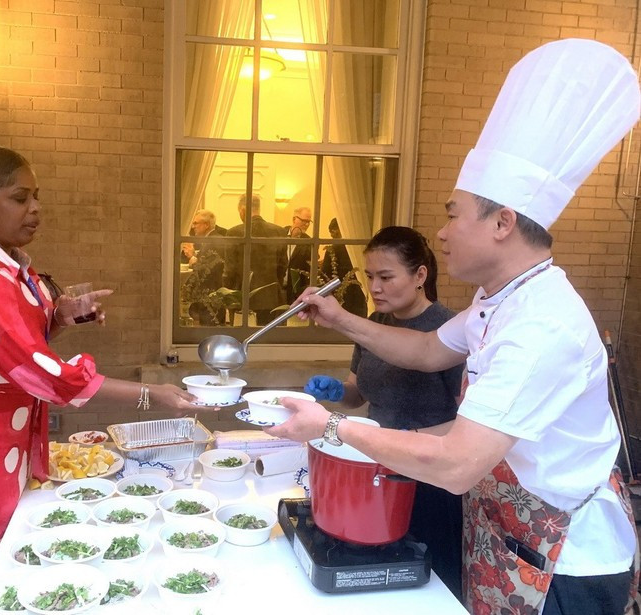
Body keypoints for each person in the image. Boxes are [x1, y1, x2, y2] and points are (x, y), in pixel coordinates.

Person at [268, 39, 639, 615]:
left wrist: (334, 427)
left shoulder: (542, 325)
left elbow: (461, 462)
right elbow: (424, 350)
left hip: (566, 561)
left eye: (451, 213)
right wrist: (340, 317)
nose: (440, 233)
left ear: (502, 222)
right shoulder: (502, 300)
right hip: (511, 538)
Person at [0, 145, 200, 614]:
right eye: (20, 198)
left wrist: (60, 315)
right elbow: (42, 374)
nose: (35, 208)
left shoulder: (6, 260)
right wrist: (151, 394)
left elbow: (17, 341)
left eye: (36, 196)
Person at [305, 225, 464, 598]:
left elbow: (466, 424)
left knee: (428, 585)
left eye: (386, 277)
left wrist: (405, 440)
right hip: (372, 470)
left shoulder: (450, 332)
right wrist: (336, 391)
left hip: (426, 481)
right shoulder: (374, 324)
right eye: (370, 276)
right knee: (374, 581)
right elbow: (358, 394)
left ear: (420, 275)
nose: (375, 287)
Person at [224, 194, 286, 325]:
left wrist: (227, 295)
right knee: (267, 340)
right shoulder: (279, 231)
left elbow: (230, 270)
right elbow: (282, 267)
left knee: (242, 338)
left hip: (241, 297)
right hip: (271, 297)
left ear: (242, 210)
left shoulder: (234, 232)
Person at [181, 209, 226, 325]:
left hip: (210, 295)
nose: (193, 226)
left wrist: (191, 257)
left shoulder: (213, 241)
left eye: (196, 223)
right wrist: (194, 254)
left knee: (209, 328)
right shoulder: (212, 239)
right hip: (211, 294)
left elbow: (207, 270)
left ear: (206, 225)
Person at [319, 218, 367, 317]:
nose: (331, 235)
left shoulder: (332, 249)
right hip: (359, 294)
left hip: (339, 294)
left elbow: (324, 274)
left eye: (332, 231)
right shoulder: (359, 248)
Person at [284, 206, 313, 303]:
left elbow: (309, 270)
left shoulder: (309, 243)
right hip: (276, 290)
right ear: (294, 219)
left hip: (295, 293)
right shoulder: (279, 234)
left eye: (309, 222)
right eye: (304, 220)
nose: (307, 224)